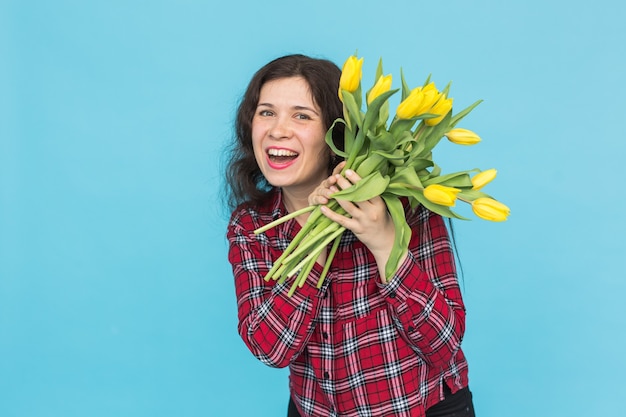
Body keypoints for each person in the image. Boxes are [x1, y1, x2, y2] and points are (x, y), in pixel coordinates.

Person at [225, 54, 476, 417]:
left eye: (302, 115)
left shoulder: (405, 205)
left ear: (335, 131)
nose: (278, 130)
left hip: (422, 408)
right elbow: (271, 349)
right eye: (266, 113)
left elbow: (443, 344)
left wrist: (385, 243)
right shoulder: (252, 226)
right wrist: (317, 239)